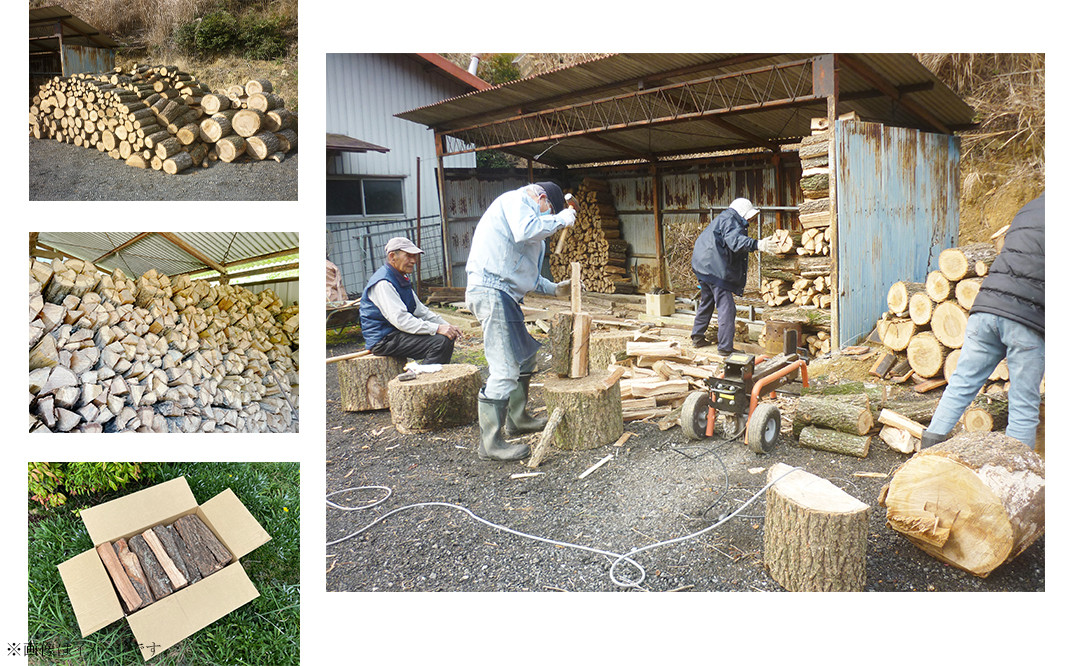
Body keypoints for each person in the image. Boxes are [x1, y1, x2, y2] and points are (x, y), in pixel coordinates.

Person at [922, 193, 1045, 449]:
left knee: (960, 385)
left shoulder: (1028, 208)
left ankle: (925, 455)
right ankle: (1017, 478)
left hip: (986, 308)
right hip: (1026, 319)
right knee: (1023, 406)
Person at [465, 181, 577, 461]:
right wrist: (561, 218)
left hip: (504, 293)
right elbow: (526, 230)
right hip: (491, 291)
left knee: (525, 359)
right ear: (541, 198)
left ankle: (517, 418)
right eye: (549, 208)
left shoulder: (527, 217)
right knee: (504, 369)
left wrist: (554, 288)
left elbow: (526, 273)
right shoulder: (516, 202)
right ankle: (490, 443)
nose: (549, 216)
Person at [691, 198, 777, 354]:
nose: (750, 220)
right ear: (742, 212)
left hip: (703, 267)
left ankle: (697, 337)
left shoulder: (723, 218)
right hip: (714, 268)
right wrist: (758, 244)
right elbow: (735, 242)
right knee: (727, 308)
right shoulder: (731, 220)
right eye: (749, 216)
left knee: (707, 301)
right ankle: (725, 348)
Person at [359, 237, 462, 364]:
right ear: (392, 256)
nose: (414, 261)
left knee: (445, 337)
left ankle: (430, 375)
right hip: (383, 339)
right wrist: (437, 328)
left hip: (395, 333)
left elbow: (421, 311)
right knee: (440, 342)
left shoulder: (400, 278)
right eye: (408, 256)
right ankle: (425, 380)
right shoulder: (383, 283)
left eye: (415, 256)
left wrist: (447, 326)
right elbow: (401, 320)